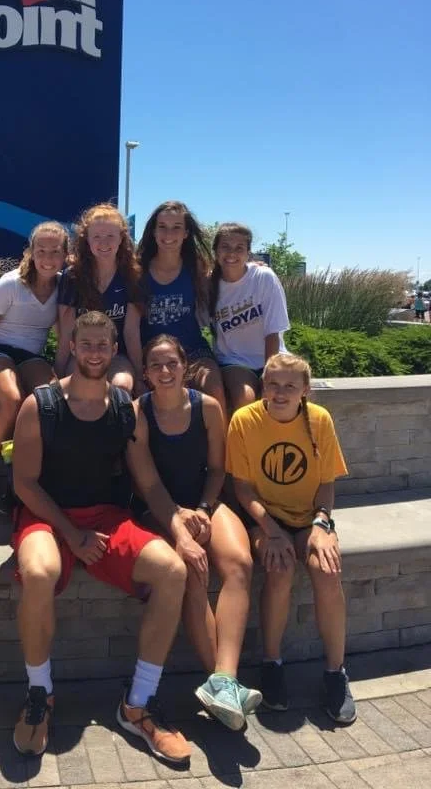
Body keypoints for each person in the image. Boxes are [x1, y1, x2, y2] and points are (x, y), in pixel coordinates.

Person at [12, 311, 191, 763]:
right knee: (38, 572)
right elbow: (25, 484)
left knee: (172, 570)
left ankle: (138, 705)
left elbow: (148, 483)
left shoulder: (124, 410)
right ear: (72, 347)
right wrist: (71, 534)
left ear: (115, 352)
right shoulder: (41, 404)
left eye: (102, 345)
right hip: (46, 517)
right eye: (86, 343)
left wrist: (180, 533)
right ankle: (40, 694)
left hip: (107, 519)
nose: (94, 352)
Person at [126, 334, 261, 731]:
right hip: (159, 511)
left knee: (239, 563)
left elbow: (218, 469)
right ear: (146, 373)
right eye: (156, 365)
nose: (165, 371)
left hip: (204, 502)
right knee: (193, 572)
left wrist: (202, 509)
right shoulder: (138, 412)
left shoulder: (209, 407)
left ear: (185, 365)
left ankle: (222, 680)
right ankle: (222, 684)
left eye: (172, 363)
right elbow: (148, 485)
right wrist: (180, 526)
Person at [228, 352, 356, 724]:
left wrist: (322, 525)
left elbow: (327, 483)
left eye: (289, 386)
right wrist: (271, 531)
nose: (280, 393)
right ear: (263, 385)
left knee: (328, 570)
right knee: (279, 568)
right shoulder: (244, 421)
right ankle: (272, 663)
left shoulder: (319, 420)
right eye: (273, 384)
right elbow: (242, 488)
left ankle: (336, 672)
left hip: (309, 520)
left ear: (305, 390)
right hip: (264, 519)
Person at [0, 221, 68, 448]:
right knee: (12, 399)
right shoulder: (10, 284)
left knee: (53, 401)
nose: (48, 259)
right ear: (31, 253)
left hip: (32, 356)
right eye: (41, 251)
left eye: (55, 252)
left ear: (65, 256)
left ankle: (22, 463)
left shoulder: (64, 287)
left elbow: (63, 335)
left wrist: (61, 374)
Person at [137, 201, 227, 422]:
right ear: (154, 231)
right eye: (163, 226)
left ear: (186, 232)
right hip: (152, 356)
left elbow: (232, 271)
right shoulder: (137, 269)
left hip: (193, 351)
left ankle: (223, 453)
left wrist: (254, 266)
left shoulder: (197, 267)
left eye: (176, 227)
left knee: (214, 389)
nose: (169, 233)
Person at [55, 203, 143, 394]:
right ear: (87, 240)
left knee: (121, 386)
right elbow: (66, 332)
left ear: (121, 238)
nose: (104, 243)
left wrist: (140, 375)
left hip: (116, 355)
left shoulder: (132, 277)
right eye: (97, 236)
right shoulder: (72, 277)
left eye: (110, 236)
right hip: (81, 355)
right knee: (82, 386)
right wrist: (58, 373)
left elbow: (131, 333)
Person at [208, 223, 290, 416]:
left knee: (288, 396)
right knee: (244, 398)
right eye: (225, 247)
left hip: (272, 355)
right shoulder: (209, 285)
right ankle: (239, 445)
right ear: (216, 251)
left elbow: (272, 332)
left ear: (248, 253)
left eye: (239, 248)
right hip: (233, 359)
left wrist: (268, 376)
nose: (232, 253)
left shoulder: (264, 278)